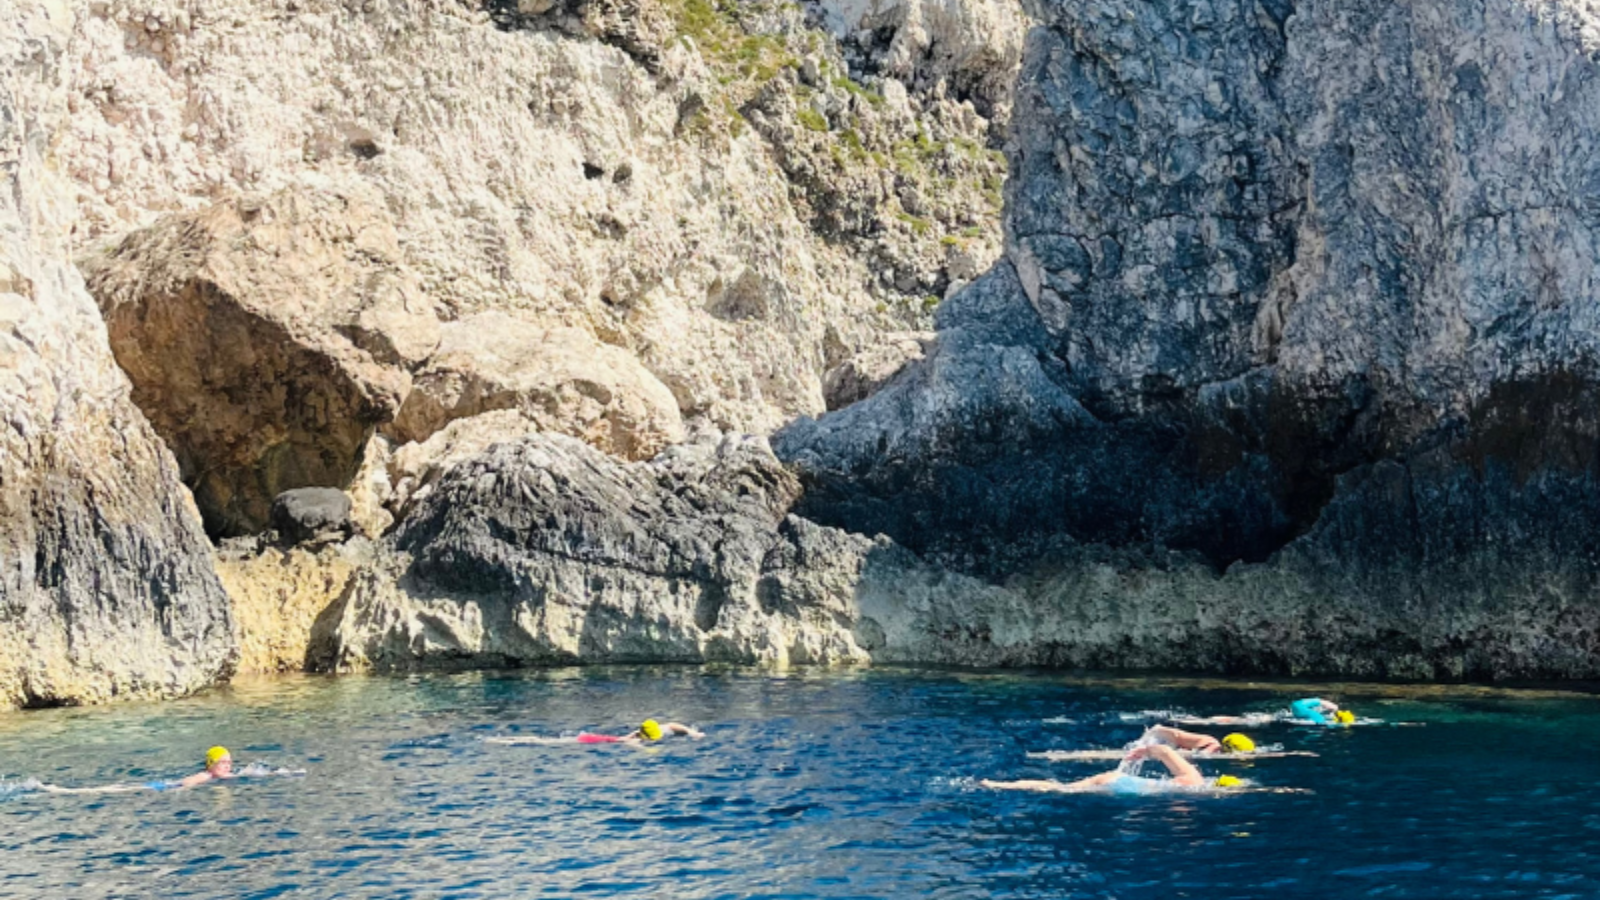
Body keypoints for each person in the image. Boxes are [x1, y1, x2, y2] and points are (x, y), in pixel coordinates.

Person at [982, 744, 1242, 794]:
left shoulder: (1192, 777)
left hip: (1119, 778)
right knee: (1059, 789)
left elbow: (1164, 751)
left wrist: (1144, 751)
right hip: (1116, 785)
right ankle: (999, 785)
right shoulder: (1192, 789)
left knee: (1060, 787)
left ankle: (1002, 784)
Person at [488, 719, 705, 746]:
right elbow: (633, 744)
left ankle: (508, 739)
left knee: (547, 741)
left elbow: (674, 725)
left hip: (599, 738)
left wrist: (692, 733)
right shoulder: (633, 739)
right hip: (592, 740)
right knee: (546, 742)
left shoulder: (661, 729)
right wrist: (648, 751)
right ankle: (505, 740)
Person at [1291, 698, 1356, 725]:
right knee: (1321, 721)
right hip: (1300, 708)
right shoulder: (1335, 707)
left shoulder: (1317, 701)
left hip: (1295, 705)